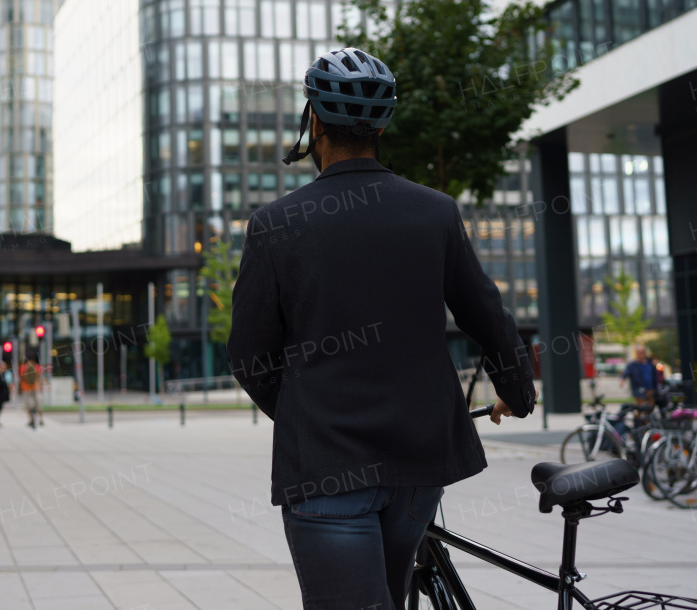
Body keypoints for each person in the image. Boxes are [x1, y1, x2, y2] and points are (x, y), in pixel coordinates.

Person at [227, 48, 536, 610]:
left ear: (314, 121)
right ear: (382, 124)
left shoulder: (276, 225)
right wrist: (517, 391)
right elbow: (487, 316)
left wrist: (308, 415)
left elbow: (250, 355)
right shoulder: (434, 211)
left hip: (327, 468)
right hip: (419, 466)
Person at [19, 356, 42, 429]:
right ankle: (41, 419)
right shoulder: (37, 366)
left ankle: (31, 420)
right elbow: (39, 377)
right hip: (36, 387)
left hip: (26, 388)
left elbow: (21, 378)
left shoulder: (23, 367)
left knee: (28, 405)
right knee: (38, 404)